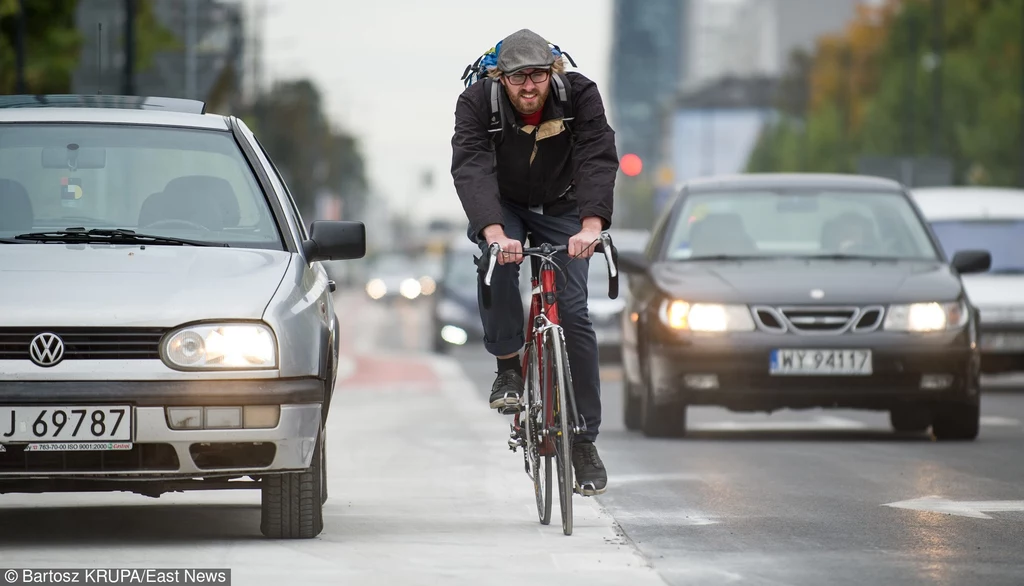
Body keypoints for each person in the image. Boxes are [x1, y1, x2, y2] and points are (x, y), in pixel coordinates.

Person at [450, 28, 618, 495]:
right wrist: (494, 232)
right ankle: (508, 365)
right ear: (500, 78)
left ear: (553, 72)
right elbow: (471, 165)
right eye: (518, 78)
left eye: (538, 76)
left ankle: (583, 441)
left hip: (564, 207)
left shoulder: (579, 95)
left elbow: (597, 156)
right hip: (504, 206)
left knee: (576, 314)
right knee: (498, 263)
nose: (529, 87)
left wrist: (591, 224)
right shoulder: (477, 104)